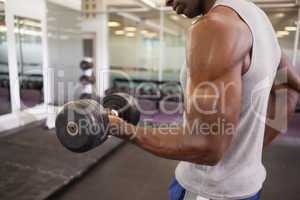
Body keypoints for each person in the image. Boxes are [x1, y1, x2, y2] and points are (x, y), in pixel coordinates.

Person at [108, 0, 300, 199]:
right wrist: (249, 150)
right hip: (248, 187)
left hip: (209, 191)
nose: (166, 2)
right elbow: (291, 88)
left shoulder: (215, 27)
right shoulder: (257, 18)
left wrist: (119, 128)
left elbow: (205, 147)